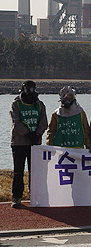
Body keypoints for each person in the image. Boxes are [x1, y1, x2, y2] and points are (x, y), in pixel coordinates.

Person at [10, 80, 47, 208]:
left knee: (35, 172)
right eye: (28, 89)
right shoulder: (16, 104)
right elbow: (16, 123)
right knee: (18, 171)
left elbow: (43, 122)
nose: (30, 91)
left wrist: (37, 134)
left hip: (35, 143)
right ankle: (17, 197)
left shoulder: (40, 105)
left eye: (32, 89)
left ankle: (35, 196)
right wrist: (27, 134)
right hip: (19, 143)